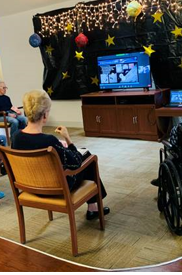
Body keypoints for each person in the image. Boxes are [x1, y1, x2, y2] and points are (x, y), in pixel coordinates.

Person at [12, 90, 110, 220]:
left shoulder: (16, 137)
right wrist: (68, 139)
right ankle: (93, 208)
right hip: (56, 187)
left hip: (30, 187)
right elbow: (75, 163)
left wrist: (60, 148)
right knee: (88, 157)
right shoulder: (49, 141)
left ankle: (93, 207)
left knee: (82, 156)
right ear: (45, 115)